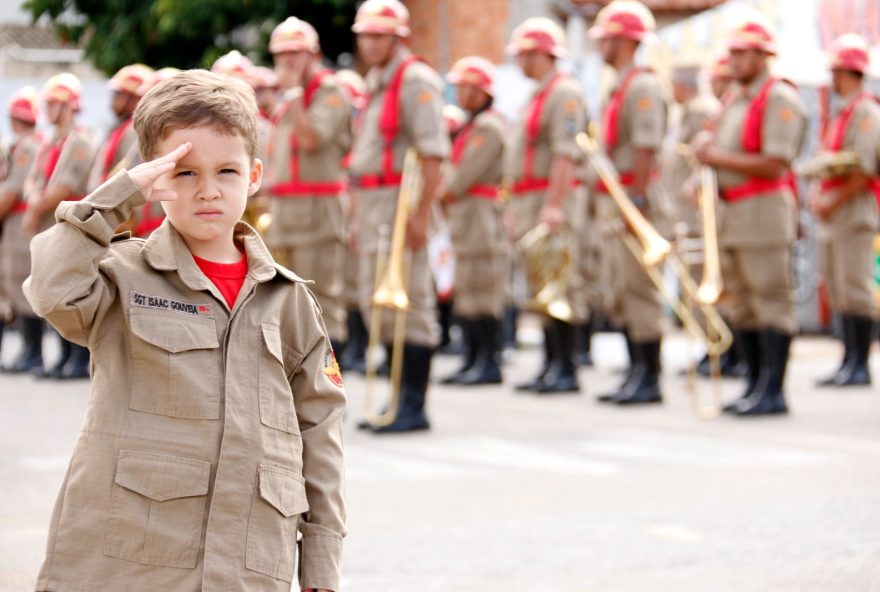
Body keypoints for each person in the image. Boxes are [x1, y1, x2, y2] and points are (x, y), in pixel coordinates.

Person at [25, 69, 344, 592]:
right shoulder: (121, 274)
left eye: (226, 171)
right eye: (185, 173)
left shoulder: (290, 301)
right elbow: (51, 289)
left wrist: (322, 566)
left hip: (247, 562)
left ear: (255, 175)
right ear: (154, 177)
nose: (208, 192)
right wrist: (121, 194)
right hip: (130, 564)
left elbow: (321, 432)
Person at [694, 11, 807, 416]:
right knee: (741, 301)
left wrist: (715, 155)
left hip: (762, 211)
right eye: (733, 53)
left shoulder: (779, 98)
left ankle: (773, 390)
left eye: (743, 54)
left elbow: (775, 162)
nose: (735, 61)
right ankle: (755, 384)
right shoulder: (734, 98)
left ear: (762, 56)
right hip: (731, 213)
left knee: (771, 298)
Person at [348, 0, 449, 432]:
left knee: (412, 302)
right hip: (373, 202)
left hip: (400, 202)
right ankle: (393, 397)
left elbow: (433, 154)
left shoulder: (415, 81)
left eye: (379, 35)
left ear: (398, 36)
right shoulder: (377, 82)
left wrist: (422, 217)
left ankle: (413, 404)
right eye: (365, 35)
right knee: (382, 305)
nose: (370, 43)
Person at [590, 0, 669, 405]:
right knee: (621, 290)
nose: (599, 45)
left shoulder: (641, 86)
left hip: (633, 198)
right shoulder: (619, 85)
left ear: (623, 41)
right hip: (617, 198)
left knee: (639, 290)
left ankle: (649, 378)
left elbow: (645, 148)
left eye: (605, 38)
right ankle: (635, 371)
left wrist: (634, 201)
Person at [504, 16, 588, 394]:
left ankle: (566, 367)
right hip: (530, 198)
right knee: (541, 285)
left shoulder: (564, 93)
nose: (519, 62)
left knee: (560, 284)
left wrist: (554, 204)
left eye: (524, 54)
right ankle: (551, 363)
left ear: (541, 54)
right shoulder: (539, 93)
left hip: (549, 197)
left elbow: (565, 153)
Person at [266, 16, 351, 354]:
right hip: (287, 209)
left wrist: (293, 94)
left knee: (322, 299)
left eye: (295, 53)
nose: (287, 62)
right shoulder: (292, 97)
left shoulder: (329, 94)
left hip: (317, 209)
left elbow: (311, 138)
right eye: (281, 55)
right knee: (290, 300)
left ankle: (332, 386)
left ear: (313, 54)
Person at [809, 33, 880, 388]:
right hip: (836, 209)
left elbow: (863, 168)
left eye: (836, 71)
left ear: (848, 72)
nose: (832, 78)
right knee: (837, 287)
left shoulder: (866, 112)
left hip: (853, 210)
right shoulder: (843, 112)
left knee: (855, 287)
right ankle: (847, 359)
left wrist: (831, 201)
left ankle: (860, 364)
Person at [437, 56, 507, 385]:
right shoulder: (473, 125)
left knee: (482, 286)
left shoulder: (488, 127)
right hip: (467, 216)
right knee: (467, 287)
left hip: (479, 213)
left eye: (463, 87)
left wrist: (442, 189)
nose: (458, 94)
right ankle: (473, 357)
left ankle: (488, 361)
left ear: (480, 92)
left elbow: (463, 176)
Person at [22, 72, 97, 379]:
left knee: (74, 290)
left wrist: (36, 205)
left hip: (71, 223)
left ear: (70, 105)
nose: (49, 109)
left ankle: (78, 358)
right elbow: (34, 178)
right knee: (53, 289)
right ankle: (64, 356)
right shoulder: (52, 141)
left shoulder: (80, 140)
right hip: (50, 220)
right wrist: (34, 196)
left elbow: (66, 186)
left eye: (55, 103)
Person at [0, 87, 42, 372]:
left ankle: (32, 351)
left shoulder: (27, 146)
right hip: (14, 222)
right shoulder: (24, 144)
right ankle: (29, 351)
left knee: (20, 285)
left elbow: (11, 190)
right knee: (13, 285)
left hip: (18, 222)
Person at [87, 64, 154, 193]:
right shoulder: (120, 127)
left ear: (134, 98)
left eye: (119, 94)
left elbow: (126, 174)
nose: (113, 100)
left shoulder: (133, 130)